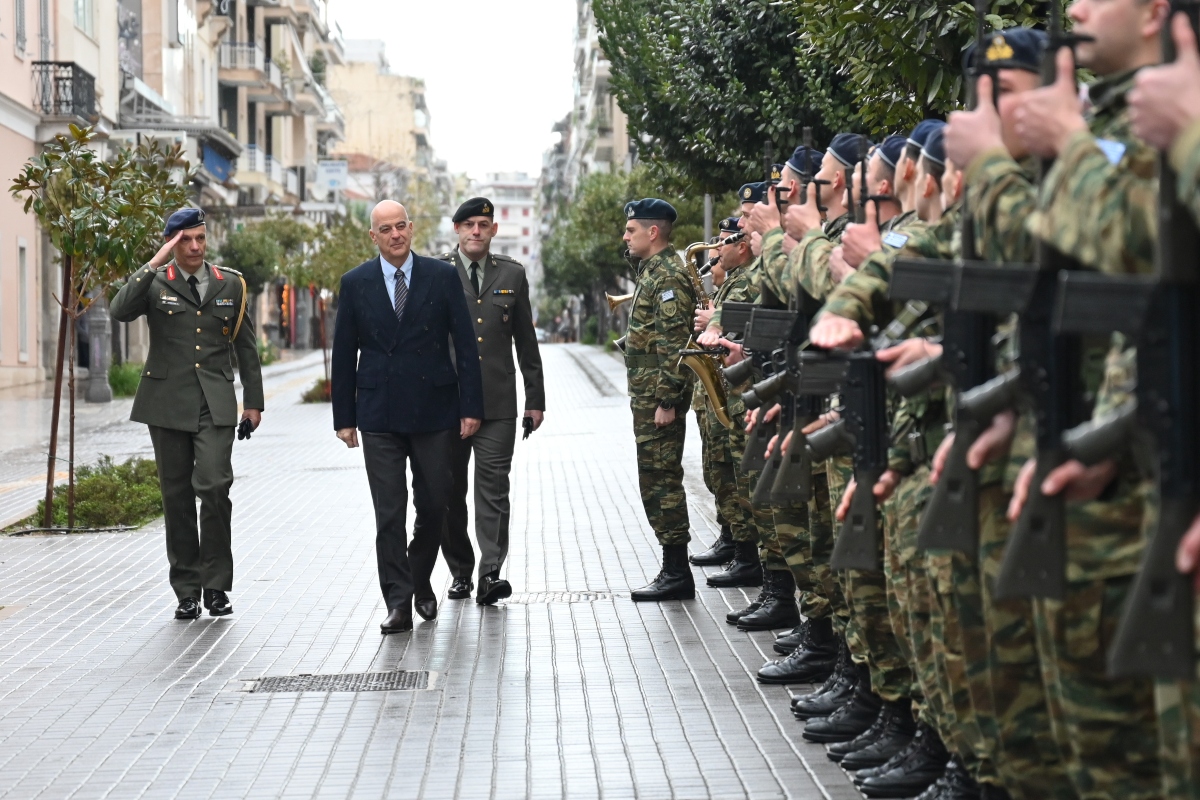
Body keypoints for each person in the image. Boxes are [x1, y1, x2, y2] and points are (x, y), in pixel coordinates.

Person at [331, 200, 484, 635]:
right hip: (379, 412)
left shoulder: (441, 276)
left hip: (435, 409)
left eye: (401, 226)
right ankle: (398, 602)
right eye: (386, 229)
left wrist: (471, 406)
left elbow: (465, 346)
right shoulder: (356, 283)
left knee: (435, 503)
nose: (396, 234)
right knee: (389, 513)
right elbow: (344, 355)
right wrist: (345, 418)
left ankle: (419, 579)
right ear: (373, 236)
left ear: (411, 228)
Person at [109, 207, 263, 621]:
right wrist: (155, 261)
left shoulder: (230, 283)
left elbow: (246, 347)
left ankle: (216, 586)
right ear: (172, 242)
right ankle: (187, 590)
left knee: (214, 487)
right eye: (185, 240)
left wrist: (254, 402)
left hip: (214, 405)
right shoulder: (156, 281)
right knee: (176, 498)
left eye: (200, 238)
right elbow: (119, 310)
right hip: (166, 404)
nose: (195, 247)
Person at [436, 197, 545, 606]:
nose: (476, 231)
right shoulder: (436, 273)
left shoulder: (512, 274)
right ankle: (461, 571)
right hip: (446, 404)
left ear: (494, 230)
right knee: (447, 491)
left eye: (483, 224)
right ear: (457, 230)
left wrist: (535, 399)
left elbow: (526, 341)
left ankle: (490, 573)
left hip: (498, 402)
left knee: (493, 488)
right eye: (469, 225)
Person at [621, 197, 698, 602]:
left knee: (662, 481)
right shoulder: (653, 270)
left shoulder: (667, 275)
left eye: (631, 230)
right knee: (654, 479)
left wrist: (667, 399)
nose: (625, 236)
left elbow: (674, 344)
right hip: (648, 396)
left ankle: (676, 572)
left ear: (653, 232)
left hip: (658, 398)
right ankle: (672, 568)